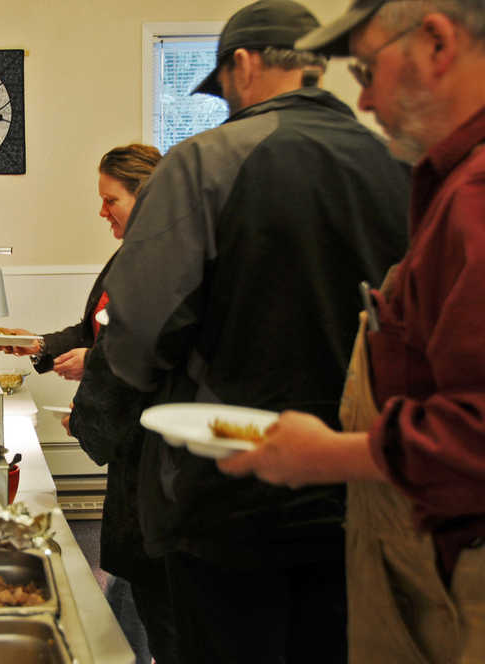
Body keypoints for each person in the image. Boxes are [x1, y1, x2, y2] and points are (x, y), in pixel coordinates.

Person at [70, 2, 412, 663]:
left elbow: (140, 329)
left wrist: (97, 427)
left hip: (228, 488)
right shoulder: (396, 162)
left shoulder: (205, 162)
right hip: (360, 477)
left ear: (245, 66)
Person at [218, 2, 485, 662]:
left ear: (436, 41)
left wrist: (330, 455)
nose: (361, 100)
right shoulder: (445, 179)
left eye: (366, 69)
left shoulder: (477, 194)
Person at [0, 144, 173, 664]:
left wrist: (90, 376)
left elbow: (138, 351)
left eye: (110, 199)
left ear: (145, 197)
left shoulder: (161, 260)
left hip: (152, 455)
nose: (101, 211)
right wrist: (37, 346)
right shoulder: (131, 255)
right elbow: (94, 330)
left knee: (145, 583)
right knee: (129, 584)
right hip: (131, 455)